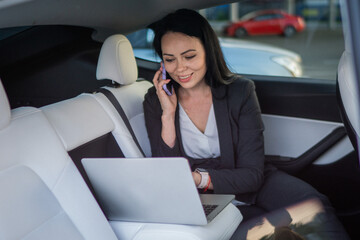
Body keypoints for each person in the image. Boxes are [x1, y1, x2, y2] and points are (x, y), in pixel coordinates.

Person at [143, 9, 349, 239]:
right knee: (257, 231)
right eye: (169, 59)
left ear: (208, 52)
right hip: (201, 197)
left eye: (189, 56)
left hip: (247, 182)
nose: (180, 68)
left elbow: (252, 175)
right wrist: (168, 114)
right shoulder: (156, 100)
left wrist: (200, 178)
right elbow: (169, 174)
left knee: (315, 207)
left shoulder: (240, 92)